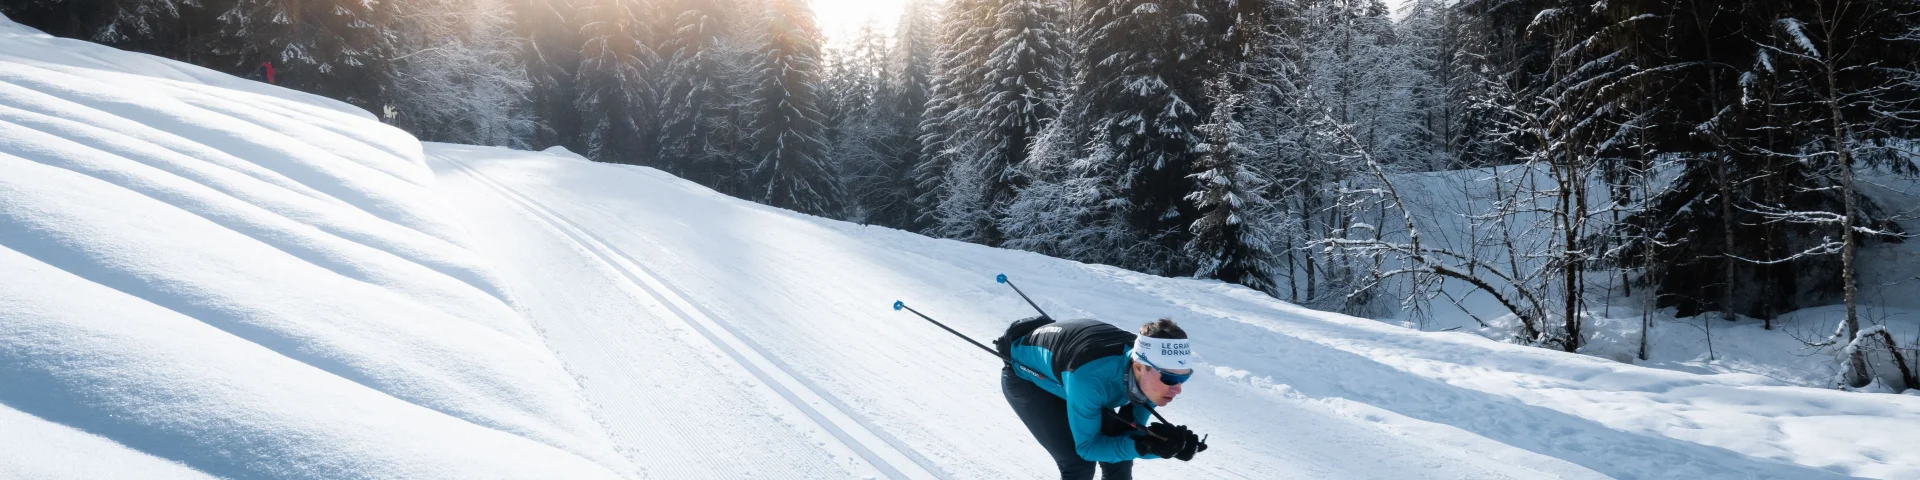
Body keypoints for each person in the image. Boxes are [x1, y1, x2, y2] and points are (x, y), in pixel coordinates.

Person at [994, 317, 1206, 480]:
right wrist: (1147, 447)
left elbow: (1129, 436)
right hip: (1028, 378)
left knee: (1120, 462)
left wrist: (1168, 446)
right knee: (1078, 464)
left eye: (1184, 377)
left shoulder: (1149, 371)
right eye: (1169, 378)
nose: (1178, 389)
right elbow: (1089, 448)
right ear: (1139, 367)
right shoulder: (1091, 380)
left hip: (1075, 371)